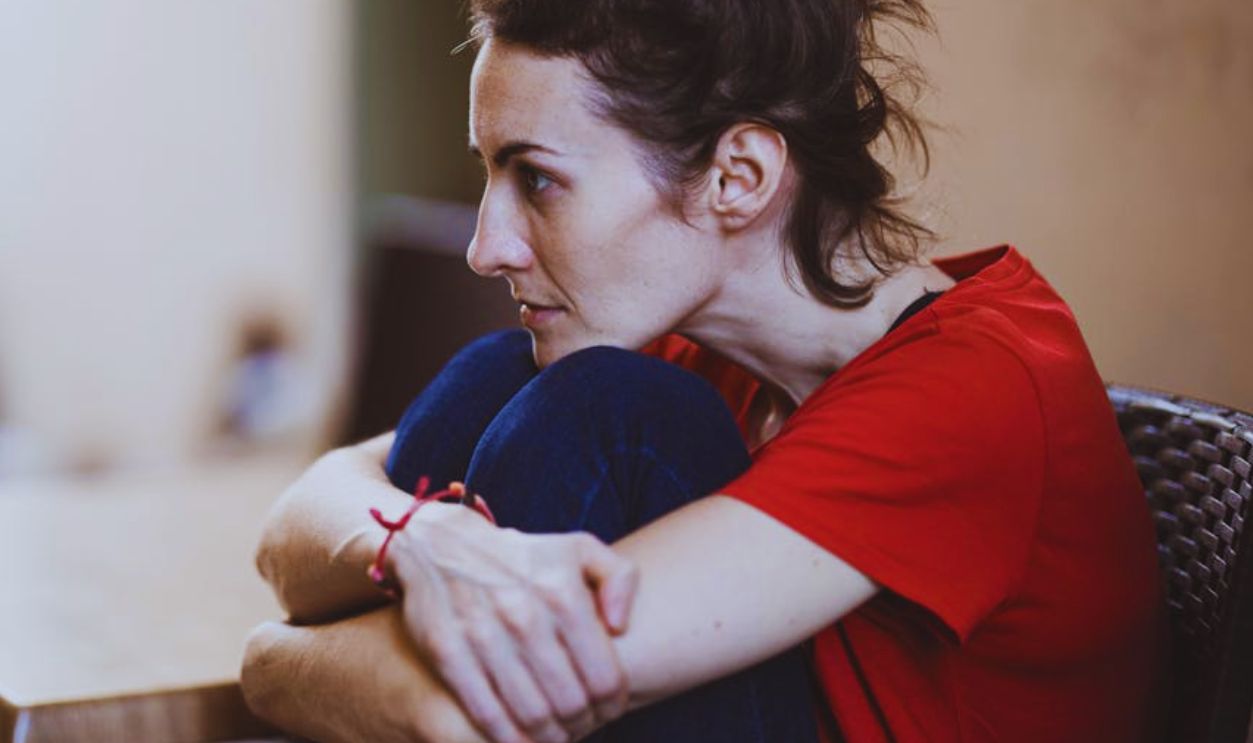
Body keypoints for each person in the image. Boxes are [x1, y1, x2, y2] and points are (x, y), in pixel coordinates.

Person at [240, 1, 1167, 741]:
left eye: (537, 179)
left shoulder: (968, 390)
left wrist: (270, 663)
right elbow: (298, 523)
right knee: (500, 374)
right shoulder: (697, 347)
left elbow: (471, 714)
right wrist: (423, 543)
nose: (487, 246)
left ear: (737, 177)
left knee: (606, 405)